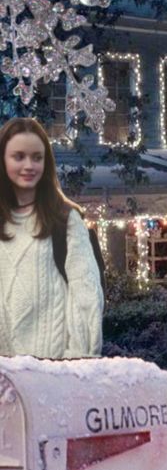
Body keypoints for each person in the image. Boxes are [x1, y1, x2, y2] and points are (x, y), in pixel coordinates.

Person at [0, 117, 103, 358]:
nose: (29, 165)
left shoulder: (65, 220)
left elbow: (86, 294)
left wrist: (76, 361)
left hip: (54, 375)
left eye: (37, 157)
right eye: (19, 156)